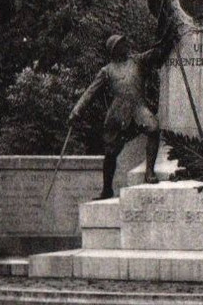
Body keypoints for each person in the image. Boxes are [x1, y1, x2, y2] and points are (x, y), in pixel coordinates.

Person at [69, 25, 177, 199]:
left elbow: (154, 53)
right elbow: (90, 92)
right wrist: (76, 111)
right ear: (114, 49)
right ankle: (106, 189)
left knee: (153, 129)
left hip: (138, 107)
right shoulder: (107, 70)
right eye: (121, 44)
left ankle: (149, 171)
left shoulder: (136, 61)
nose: (125, 45)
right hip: (117, 114)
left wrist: (168, 38)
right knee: (110, 152)